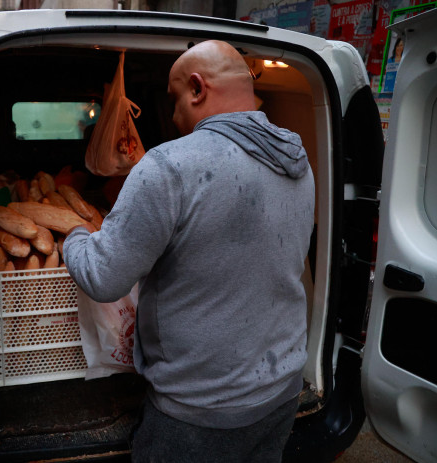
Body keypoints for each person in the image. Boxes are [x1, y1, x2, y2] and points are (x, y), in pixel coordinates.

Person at [63, 40, 315, 462]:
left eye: (174, 99)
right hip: (282, 390)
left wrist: (75, 233)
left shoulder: (168, 165)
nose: (175, 115)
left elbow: (102, 278)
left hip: (199, 412)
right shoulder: (296, 157)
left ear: (197, 89)